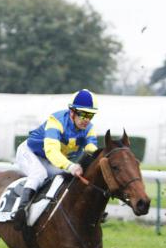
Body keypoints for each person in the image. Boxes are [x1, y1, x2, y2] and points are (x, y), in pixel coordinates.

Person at [12, 89, 100, 229]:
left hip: (51, 161)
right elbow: (51, 151)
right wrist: (70, 166)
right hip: (30, 153)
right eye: (83, 114)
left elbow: (92, 150)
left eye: (90, 115)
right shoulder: (56, 121)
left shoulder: (89, 129)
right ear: (72, 112)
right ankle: (20, 212)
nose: (87, 119)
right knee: (39, 174)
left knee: (69, 179)